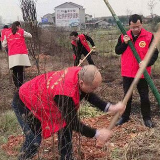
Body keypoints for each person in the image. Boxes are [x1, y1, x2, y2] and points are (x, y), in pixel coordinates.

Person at [12, 65, 125, 160]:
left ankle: (66, 157)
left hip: (41, 98)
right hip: (25, 102)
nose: (95, 90)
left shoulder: (80, 72)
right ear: (81, 82)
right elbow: (73, 122)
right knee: (34, 139)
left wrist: (110, 107)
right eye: (93, 88)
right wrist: (97, 134)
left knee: (64, 127)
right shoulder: (65, 93)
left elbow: (88, 94)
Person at [115, 14, 159, 128]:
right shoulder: (123, 36)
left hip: (142, 74)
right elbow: (117, 51)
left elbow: (154, 54)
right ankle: (125, 117)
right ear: (129, 26)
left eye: (138, 26)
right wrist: (124, 43)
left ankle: (147, 118)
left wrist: (146, 63)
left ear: (141, 24)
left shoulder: (149, 36)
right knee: (127, 96)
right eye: (133, 27)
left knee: (144, 96)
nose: (135, 29)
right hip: (127, 72)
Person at [2, 21, 32, 88]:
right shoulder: (21, 31)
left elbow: (3, 44)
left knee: (14, 71)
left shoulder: (7, 33)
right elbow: (30, 36)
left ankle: (16, 86)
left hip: (12, 55)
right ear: (18, 26)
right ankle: (20, 86)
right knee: (20, 70)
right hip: (21, 54)